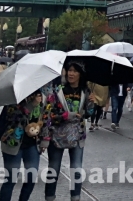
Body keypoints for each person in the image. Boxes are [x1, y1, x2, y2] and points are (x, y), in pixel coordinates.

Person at [41, 61, 94, 201]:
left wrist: (91, 103)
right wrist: (66, 116)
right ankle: (49, 197)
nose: (71, 73)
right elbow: (48, 114)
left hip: (77, 135)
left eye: (74, 71)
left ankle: (75, 197)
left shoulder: (85, 91)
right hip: (57, 135)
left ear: (80, 74)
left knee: (76, 169)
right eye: (69, 70)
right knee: (54, 168)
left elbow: (88, 114)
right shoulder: (58, 91)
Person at [0, 90, 44, 201]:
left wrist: (44, 140)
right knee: (11, 178)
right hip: (13, 143)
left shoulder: (41, 96)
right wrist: (33, 104)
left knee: (31, 177)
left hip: (32, 144)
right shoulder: (14, 97)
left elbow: (45, 120)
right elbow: (15, 117)